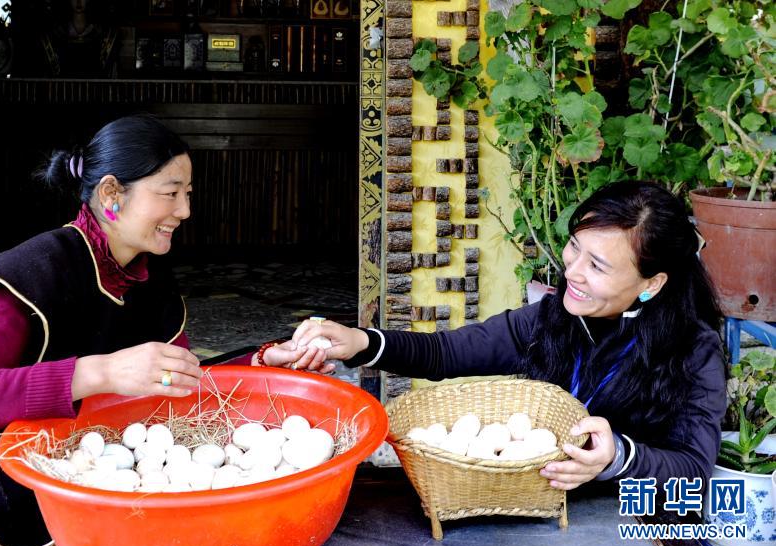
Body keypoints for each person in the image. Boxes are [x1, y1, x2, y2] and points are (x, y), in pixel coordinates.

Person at [0, 115, 312, 546]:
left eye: (188, 194)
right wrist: (102, 372)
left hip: (90, 497)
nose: (185, 211)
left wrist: (260, 364)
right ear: (112, 194)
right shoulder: (38, 271)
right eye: (170, 193)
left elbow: (171, 381)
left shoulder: (147, 281)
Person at [280, 181, 726, 490]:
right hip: (529, 507)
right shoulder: (553, 317)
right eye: (575, 247)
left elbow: (692, 470)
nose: (572, 272)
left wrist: (617, 458)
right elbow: (446, 352)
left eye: (598, 266)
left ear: (652, 283)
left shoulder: (693, 351)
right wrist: (360, 343)